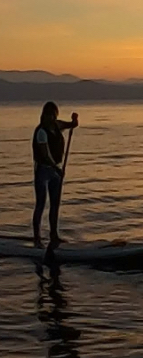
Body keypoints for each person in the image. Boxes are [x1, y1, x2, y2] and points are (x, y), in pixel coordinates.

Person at [33, 101, 78, 248]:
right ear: (44, 115)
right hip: (44, 171)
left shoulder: (57, 126)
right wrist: (55, 168)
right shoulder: (41, 132)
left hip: (56, 171)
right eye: (49, 115)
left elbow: (71, 125)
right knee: (41, 203)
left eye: (53, 115)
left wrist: (74, 121)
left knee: (55, 204)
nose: (51, 118)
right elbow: (45, 154)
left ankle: (54, 235)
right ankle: (37, 238)